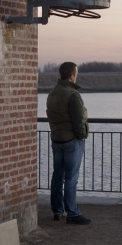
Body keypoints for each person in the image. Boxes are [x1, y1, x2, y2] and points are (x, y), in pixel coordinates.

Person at [46, 62, 91, 225]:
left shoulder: (53, 93)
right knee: (71, 178)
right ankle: (72, 212)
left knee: (57, 175)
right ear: (72, 76)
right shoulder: (72, 95)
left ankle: (57, 210)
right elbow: (78, 120)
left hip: (57, 139)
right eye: (76, 74)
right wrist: (81, 136)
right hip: (72, 140)